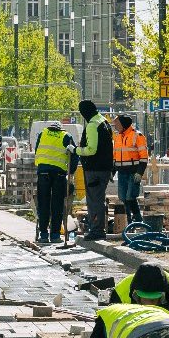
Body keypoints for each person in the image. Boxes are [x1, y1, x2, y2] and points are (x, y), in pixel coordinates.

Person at [74, 99, 114, 241]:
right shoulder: (104, 121)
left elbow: (91, 149)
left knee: (94, 201)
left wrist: (76, 149)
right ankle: (99, 228)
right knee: (100, 199)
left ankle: (97, 230)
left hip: (94, 169)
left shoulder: (92, 125)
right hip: (105, 168)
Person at [112, 262, 169, 326]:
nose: (149, 305)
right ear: (136, 295)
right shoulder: (121, 291)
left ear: (162, 296)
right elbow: (111, 323)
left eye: (153, 299)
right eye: (145, 299)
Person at [33, 120, 75, 244]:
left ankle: (44, 235)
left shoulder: (43, 133)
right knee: (57, 204)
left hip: (43, 173)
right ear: (60, 129)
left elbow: (37, 150)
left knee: (43, 203)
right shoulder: (66, 136)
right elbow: (74, 154)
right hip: (59, 174)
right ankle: (55, 235)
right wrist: (71, 172)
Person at [111, 114, 149, 228]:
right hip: (122, 172)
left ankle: (138, 221)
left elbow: (144, 156)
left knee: (130, 197)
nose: (115, 127)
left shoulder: (137, 136)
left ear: (123, 124)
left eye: (117, 124)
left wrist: (139, 172)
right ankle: (130, 223)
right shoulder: (117, 137)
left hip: (133, 172)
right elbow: (115, 156)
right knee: (123, 198)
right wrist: (112, 172)